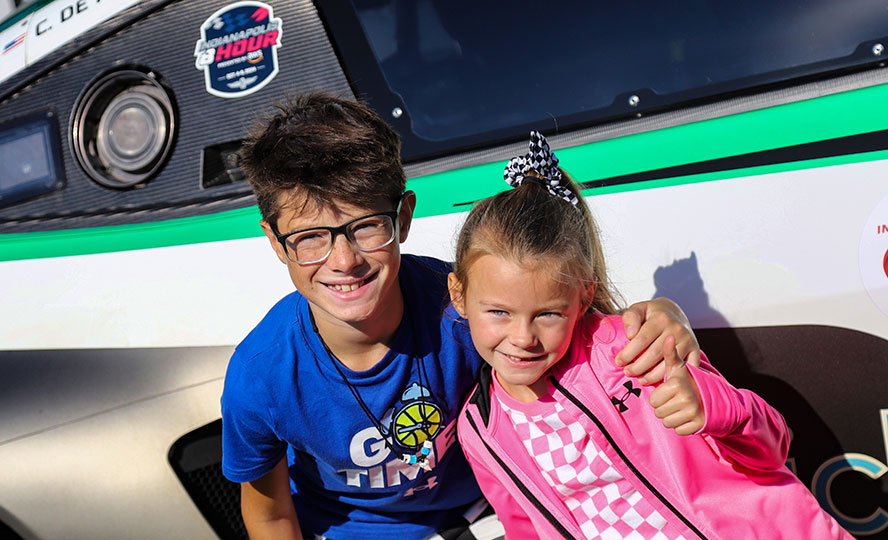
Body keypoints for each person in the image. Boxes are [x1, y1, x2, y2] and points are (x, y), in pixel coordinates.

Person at [221, 94, 701, 540]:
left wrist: (662, 314)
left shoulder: (470, 303)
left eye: (366, 226)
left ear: (404, 216)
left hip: (493, 505)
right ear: (273, 240)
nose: (344, 260)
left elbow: (580, 332)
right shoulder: (260, 375)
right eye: (309, 238)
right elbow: (268, 513)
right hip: (357, 529)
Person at [451, 131, 851, 539]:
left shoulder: (631, 347)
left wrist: (715, 407)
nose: (523, 337)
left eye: (548, 314)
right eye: (499, 312)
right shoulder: (478, 428)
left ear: (584, 296)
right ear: (459, 296)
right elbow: (526, 530)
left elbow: (772, 446)